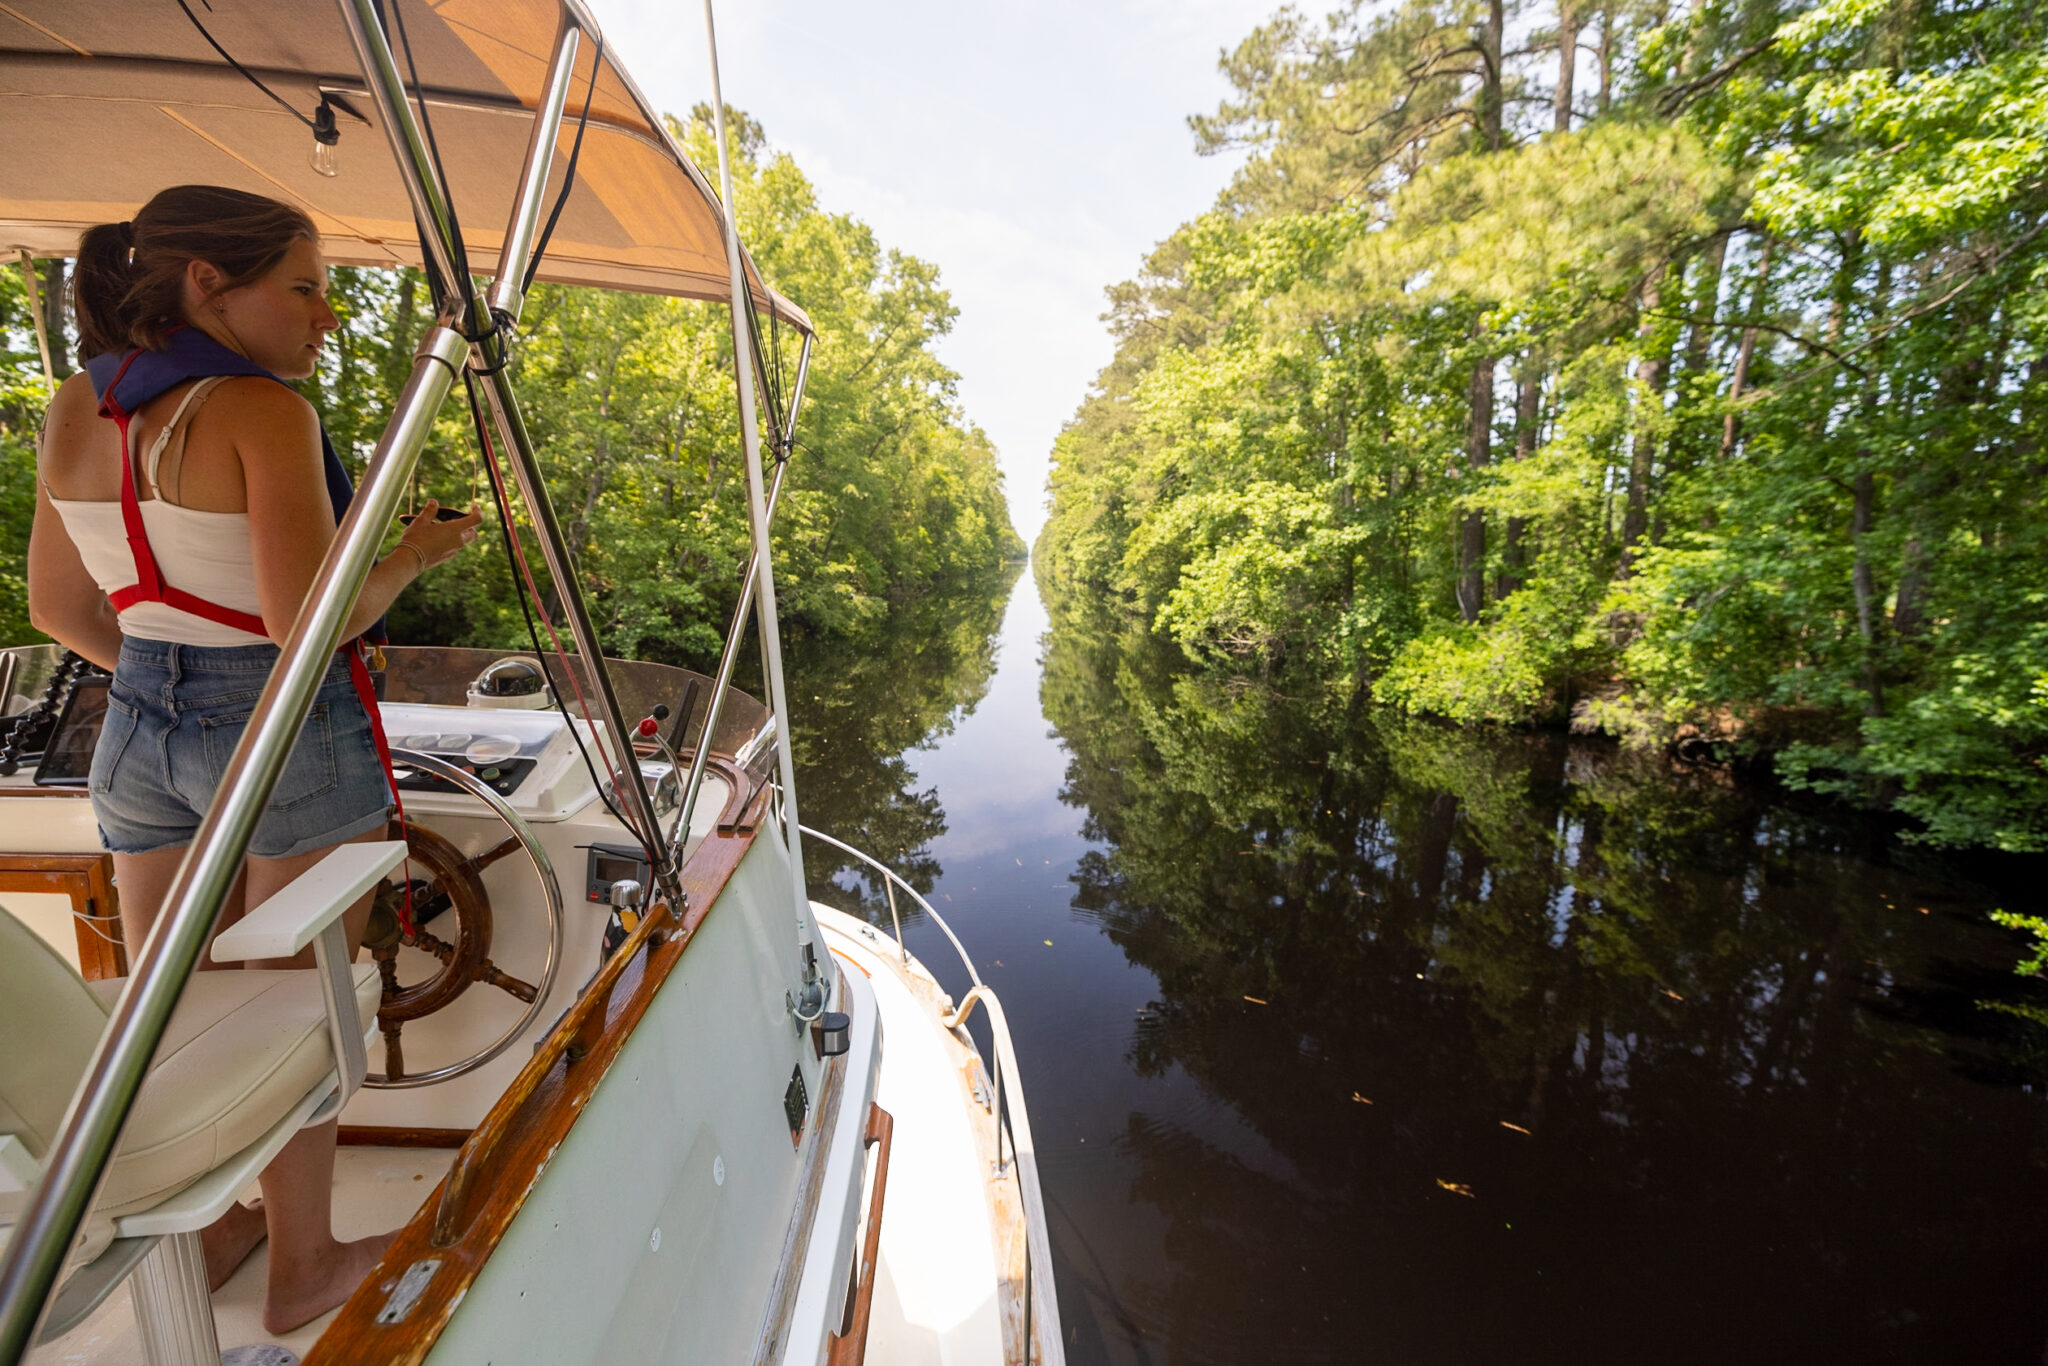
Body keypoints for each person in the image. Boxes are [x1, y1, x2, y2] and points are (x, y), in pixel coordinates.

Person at [26, 185, 483, 1333]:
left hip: (133, 722)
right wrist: (414, 552)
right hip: (277, 721)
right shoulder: (261, 414)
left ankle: (221, 1218)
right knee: (295, 1004)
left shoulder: (76, 407)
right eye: (306, 286)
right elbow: (307, 620)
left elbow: (52, 607)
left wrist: (159, 673)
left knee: (176, 1000)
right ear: (205, 285)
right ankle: (305, 1267)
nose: (324, 315)